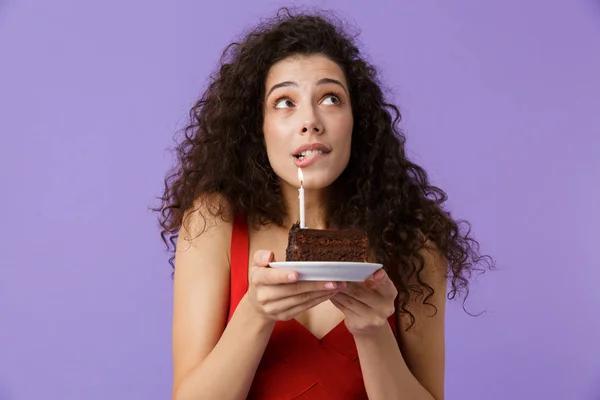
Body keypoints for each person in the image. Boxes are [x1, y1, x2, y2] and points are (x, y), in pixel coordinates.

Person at [155, 7, 492, 400]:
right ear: (257, 126)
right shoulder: (215, 223)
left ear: (358, 120)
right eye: (284, 102)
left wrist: (372, 331)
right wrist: (256, 313)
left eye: (331, 98)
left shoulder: (415, 242)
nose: (310, 120)